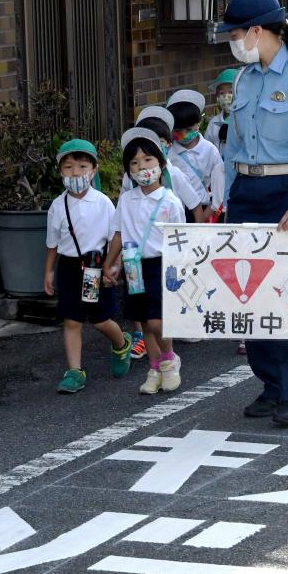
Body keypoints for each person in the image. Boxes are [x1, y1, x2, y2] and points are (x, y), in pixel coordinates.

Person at [217, 0, 288, 425]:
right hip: (247, 192)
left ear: (258, 30)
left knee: (286, 295)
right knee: (248, 299)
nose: (233, 40)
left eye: (237, 32)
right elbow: (232, 149)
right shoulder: (244, 79)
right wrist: (228, 200)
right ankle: (269, 384)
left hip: (287, 193)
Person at [43, 139, 132, 394]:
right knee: (72, 320)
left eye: (82, 166)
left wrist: (113, 266)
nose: (76, 173)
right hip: (70, 268)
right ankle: (74, 371)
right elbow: (52, 244)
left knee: (100, 319)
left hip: (95, 267)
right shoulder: (57, 206)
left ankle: (120, 343)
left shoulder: (103, 203)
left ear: (94, 170)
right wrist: (48, 270)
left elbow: (115, 237)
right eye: (69, 167)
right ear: (60, 171)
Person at [103, 128, 185, 393]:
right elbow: (118, 232)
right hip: (133, 266)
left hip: (161, 265)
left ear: (161, 164)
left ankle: (170, 360)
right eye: (135, 163)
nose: (142, 167)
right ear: (129, 171)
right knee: (143, 322)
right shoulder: (126, 199)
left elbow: (181, 238)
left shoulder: (170, 201)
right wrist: (109, 263)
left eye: (148, 160)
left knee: (157, 321)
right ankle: (154, 368)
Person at [124, 107, 208, 362]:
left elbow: (194, 206)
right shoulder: (129, 186)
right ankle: (149, 351)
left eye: (154, 149)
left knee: (164, 306)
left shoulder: (174, 176)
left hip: (168, 250)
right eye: (136, 161)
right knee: (143, 310)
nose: (143, 166)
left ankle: (172, 348)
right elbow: (121, 223)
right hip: (136, 257)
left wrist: (199, 241)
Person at [165, 90, 222, 219]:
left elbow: (219, 185)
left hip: (205, 209)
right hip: (176, 211)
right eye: (179, 131)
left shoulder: (210, 150)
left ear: (199, 123)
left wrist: (205, 216)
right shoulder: (169, 153)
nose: (184, 134)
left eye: (189, 129)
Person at [204, 68, 238, 149]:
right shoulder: (214, 122)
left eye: (231, 92)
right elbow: (207, 147)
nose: (226, 96)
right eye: (221, 93)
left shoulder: (246, 119)